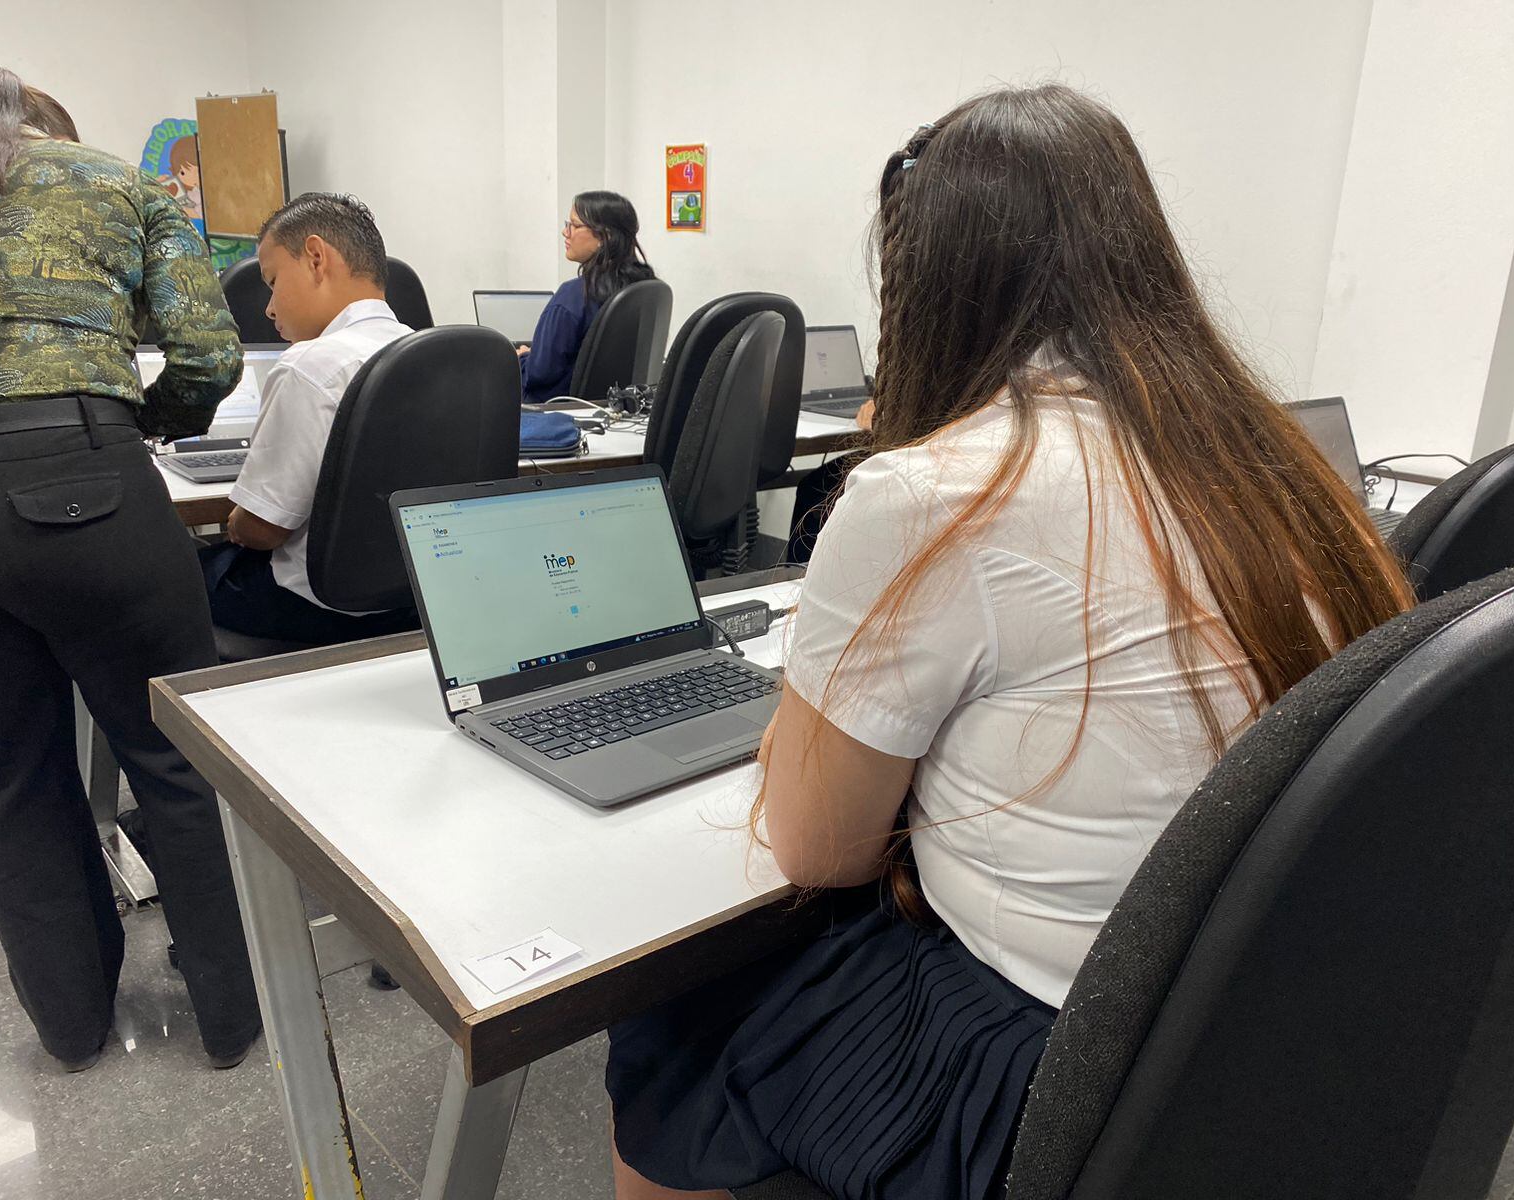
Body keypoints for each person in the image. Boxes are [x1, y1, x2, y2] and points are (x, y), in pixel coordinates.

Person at [605, 84, 1416, 1200]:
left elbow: (818, 850)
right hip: (1253, 1043)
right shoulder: (1270, 463)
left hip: (1043, 1066)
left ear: (928, 282)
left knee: (671, 1026)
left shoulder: (933, 493)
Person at [0, 67, 261, 1073]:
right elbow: (207, 355)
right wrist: (131, 427)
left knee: (13, 785)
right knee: (176, 759)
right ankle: (233, 1019)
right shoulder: (119, 183)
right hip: (83, 478)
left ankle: (71, 1031)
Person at [198, 193, 418, 646]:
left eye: (273, 281)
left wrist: (236, 522)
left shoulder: (311, 364)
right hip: (415, 604)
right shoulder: (425, 352)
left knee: (171, 569)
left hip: (315, 610)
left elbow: (263, 529)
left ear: (316, 258)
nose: (268, 308)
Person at [518, 190, 655, 403]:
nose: (565, 232)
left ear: (605, 236)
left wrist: (524, 358)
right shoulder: (645, 287)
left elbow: (539, 374)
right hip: (620, 408)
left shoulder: (573, 297)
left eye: (574, 225)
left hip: (556, 411)